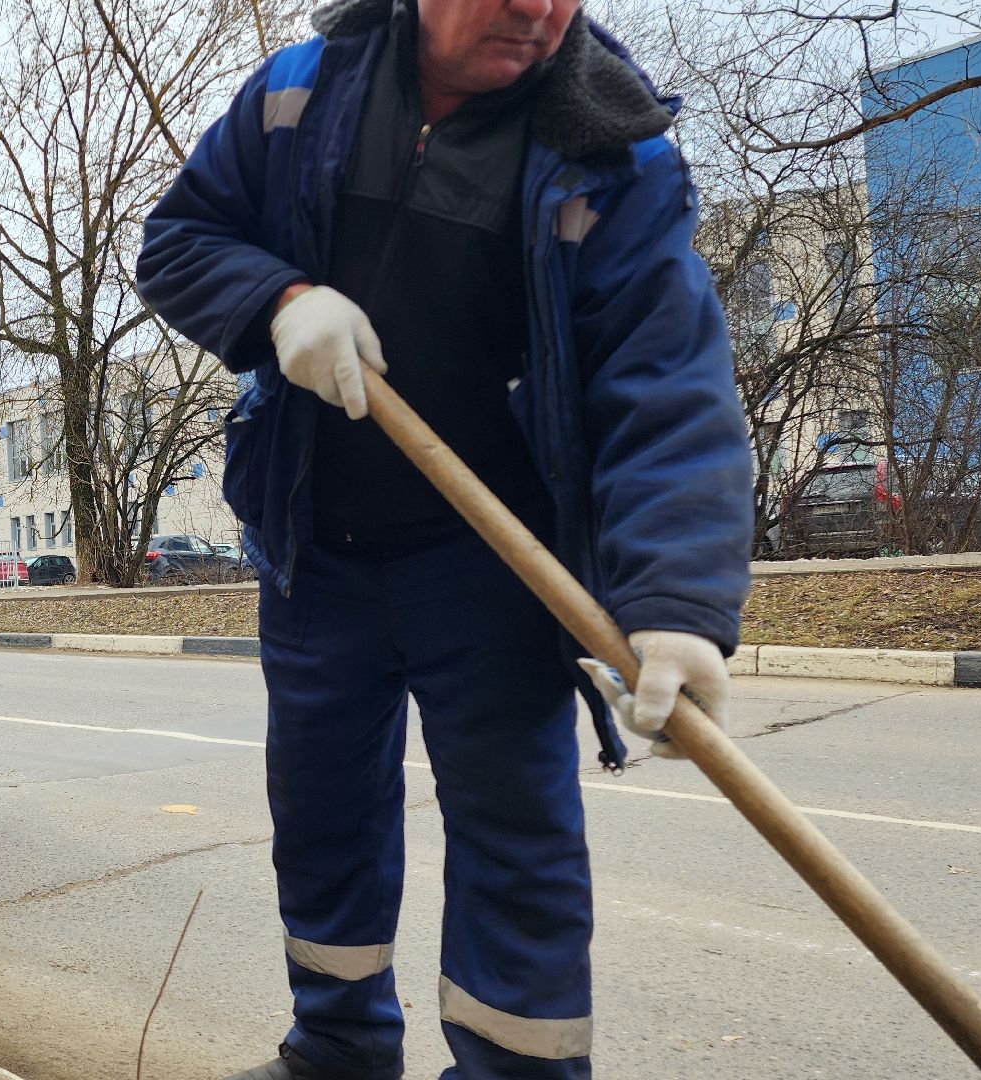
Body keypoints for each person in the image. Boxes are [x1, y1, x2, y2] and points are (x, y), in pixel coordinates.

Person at [135, 0, 753, 1075]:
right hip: (316, 550)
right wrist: (276, 299)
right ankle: (336, 1049)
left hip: (495, 567)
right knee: (323, 817)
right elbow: (180, 239)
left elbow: (665, 389)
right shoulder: (297, 94)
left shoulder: (613, 156)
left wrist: (676, 605)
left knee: (517, 847)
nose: (535, 9)